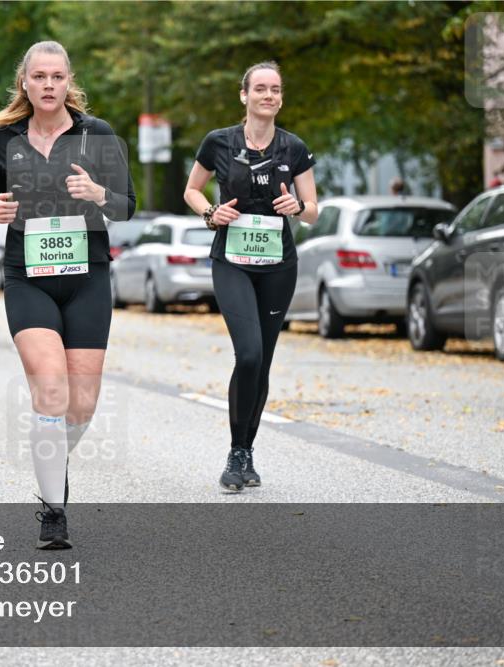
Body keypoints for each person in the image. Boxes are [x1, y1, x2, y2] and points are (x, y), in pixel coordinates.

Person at [0, 41, 135, 549]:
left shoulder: (98, 135)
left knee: (81, 405)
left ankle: (50, 456)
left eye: (57, 77)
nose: (48, 85)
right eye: (39, 77)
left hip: (87, 276)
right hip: (28, 275)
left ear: (69, 82)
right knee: (50, 391)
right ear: (24, 83)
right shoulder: (6, 139)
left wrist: (99, 195)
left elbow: (127, 206)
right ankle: (53, 511)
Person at [183, 61, 319, 492]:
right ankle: (235, 453)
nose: (268, 96)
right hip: (232, 262)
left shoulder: (293, 147)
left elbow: (313, 210)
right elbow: (191, 189)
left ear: (281, 98)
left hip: (278, 266)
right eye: (260, 88)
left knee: (263, 362)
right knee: (249, 355)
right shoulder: (219, 142)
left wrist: (298, 207)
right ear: (244, 95)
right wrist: (211, 212)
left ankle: (245, 453)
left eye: (275, 89)